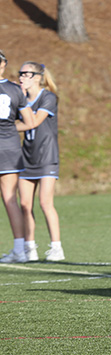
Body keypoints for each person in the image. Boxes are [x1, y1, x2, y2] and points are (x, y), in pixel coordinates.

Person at [15, 62, 64, 261]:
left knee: (45, 202)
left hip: (46, 156)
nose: (21, 77)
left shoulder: (48, 97)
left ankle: (56, 248)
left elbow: (34, 121)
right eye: (20, 74)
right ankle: (29, 248)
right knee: (25, 204)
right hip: (27, 156)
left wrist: (9, 126)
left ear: (37, 77)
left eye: (25, 74)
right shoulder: (22, 99)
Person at [0, 51, 36, 263]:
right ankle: (20, 250)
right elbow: (30, 122)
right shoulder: (15, 89)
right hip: (11, 147)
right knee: (10, 199)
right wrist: (10, 129)